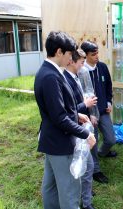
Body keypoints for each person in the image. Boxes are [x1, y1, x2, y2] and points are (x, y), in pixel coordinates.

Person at [34, 31, 96, 209]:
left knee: (51, 188)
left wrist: (76, 114)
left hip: (52, 141)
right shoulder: (50, 76)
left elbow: (56, 109)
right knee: (69, 192)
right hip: (60, 143)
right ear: (59, 52)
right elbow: (59, 117)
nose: (71, 59)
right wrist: (85, 134)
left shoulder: (48, 71)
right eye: (69, 54)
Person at [64, 49, 97, 209]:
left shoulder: (75, 77)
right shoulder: (65, 80)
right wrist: (85, 105)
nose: (83, 66)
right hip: (74, 131)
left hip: (80, 125)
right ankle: (83, 201)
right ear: (72, 61)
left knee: (87, 166)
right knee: (83, 167)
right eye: (82, 62)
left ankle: (86, 200)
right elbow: (66, 111)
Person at [80, 41, 117, 184]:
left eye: (97, 53)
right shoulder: (81, 71)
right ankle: (95, 170)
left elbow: (108, 85)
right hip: (89, 115)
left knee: (111, 139)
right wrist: (88, 114)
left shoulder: (101, 67)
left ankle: (103, 152)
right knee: (93, 142)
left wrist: (108, 102)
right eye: (93, 54)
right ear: (85, 55)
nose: (97, 56)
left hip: (103, 110)